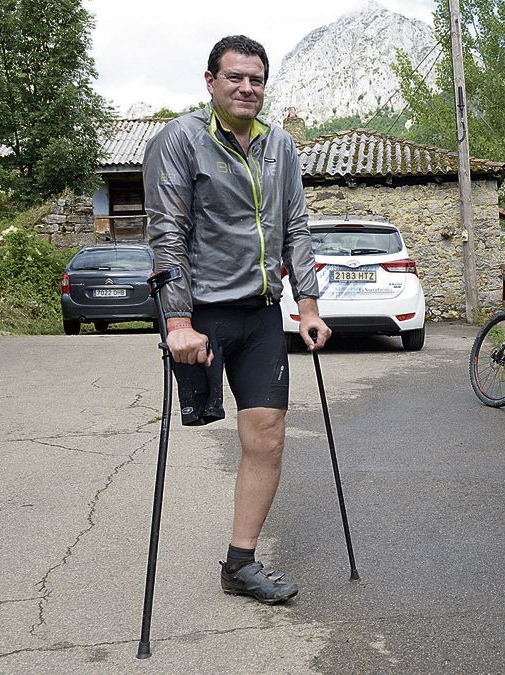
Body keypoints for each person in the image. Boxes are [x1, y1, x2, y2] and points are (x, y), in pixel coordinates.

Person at [143, 35, 331, 604]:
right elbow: (166, 232)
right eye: (235, 77)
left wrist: (309, 304)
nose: (247, 88)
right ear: (210, 81)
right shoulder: (180, 140)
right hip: (200, 315)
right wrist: (177, 320)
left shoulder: (281, 147)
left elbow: (295, 227)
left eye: (256, 79)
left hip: (259, 314)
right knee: (199, 421)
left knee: (267, 436)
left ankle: (240, 562)